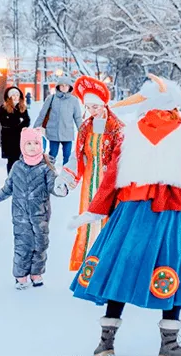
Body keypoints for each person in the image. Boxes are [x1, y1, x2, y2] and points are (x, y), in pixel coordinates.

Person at [68, 74, 181, 356]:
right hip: (167, 213)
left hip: (129, 214)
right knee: (175, 268)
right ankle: (169, 345)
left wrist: (94, 210)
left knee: (118, 268)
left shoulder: (131, 131)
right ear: (172, 104)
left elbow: (112, 175)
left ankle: (106, 344)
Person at [57, 76, 124, 271]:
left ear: (104, 104)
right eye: (89, 107)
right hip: (89, 182)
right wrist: (67, 178)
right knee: (87, 220)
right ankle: (88, 261)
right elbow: (79, 156)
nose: (92, 111)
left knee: (107, 219)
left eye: (96, 107)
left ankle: (108, 263)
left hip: (109, 183)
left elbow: (121, 159)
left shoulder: (117, 128)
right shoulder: (86, 127)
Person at [0, 128, 69, 289]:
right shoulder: (17, 167)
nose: (32, 147)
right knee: (23, 244)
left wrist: (61, 189)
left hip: (40, 215)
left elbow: (53, 187)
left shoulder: (46, 167)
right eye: (28, 143)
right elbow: (7, 188)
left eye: (36, 143)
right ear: (22, 146)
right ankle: (21, 275)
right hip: (20, 215)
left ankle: (36, 273)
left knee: (40, 244)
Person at [34, 76, 82, 165]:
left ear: (69, 87)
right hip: (53, 132)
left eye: (66, 86)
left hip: (67, 133)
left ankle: (65, 176)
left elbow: (78, 117)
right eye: (62, 85)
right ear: (58, 87)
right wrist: (35, 128)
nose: (64, 87)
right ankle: (49, 173)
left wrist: (82, 131)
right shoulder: (51, 98)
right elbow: (42, 114)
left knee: (67, 156)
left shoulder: (74, 100)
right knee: (52, 155)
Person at [0, 86, 31, 174]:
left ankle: (19, 177)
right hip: (8, 138)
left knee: (20, 158)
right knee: (11, 160)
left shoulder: (22, 107)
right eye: (13, 95)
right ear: (9, 97)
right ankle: (10, 177)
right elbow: (4, 122)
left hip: (20, 137)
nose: (16, 97)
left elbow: (27, 120)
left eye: (17, 95)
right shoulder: (4, 107)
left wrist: (19, 124)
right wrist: (18, 122)